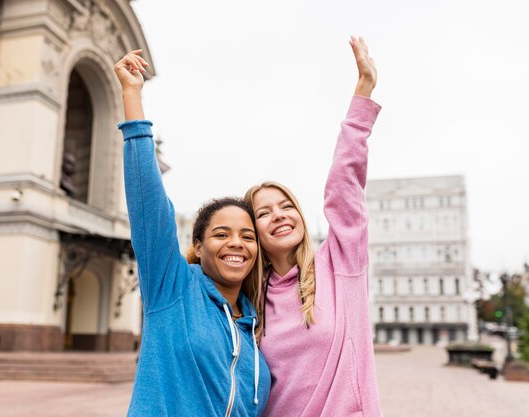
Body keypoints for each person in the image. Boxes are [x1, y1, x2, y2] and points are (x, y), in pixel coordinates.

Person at [115, 50, 270, 417]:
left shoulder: (255, 327)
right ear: (198, 246)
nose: (236, 243)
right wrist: (132, 99)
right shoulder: (173, 288)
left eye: (248, 237)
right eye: (221, 234)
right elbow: (149, 209)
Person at [244, 36, 383, 417]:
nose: (280, 215)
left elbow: (343, 189)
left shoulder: (340, 265)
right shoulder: (251, 298)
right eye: (265, 212)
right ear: (252, 233)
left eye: (287, 206)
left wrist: (363, 94)